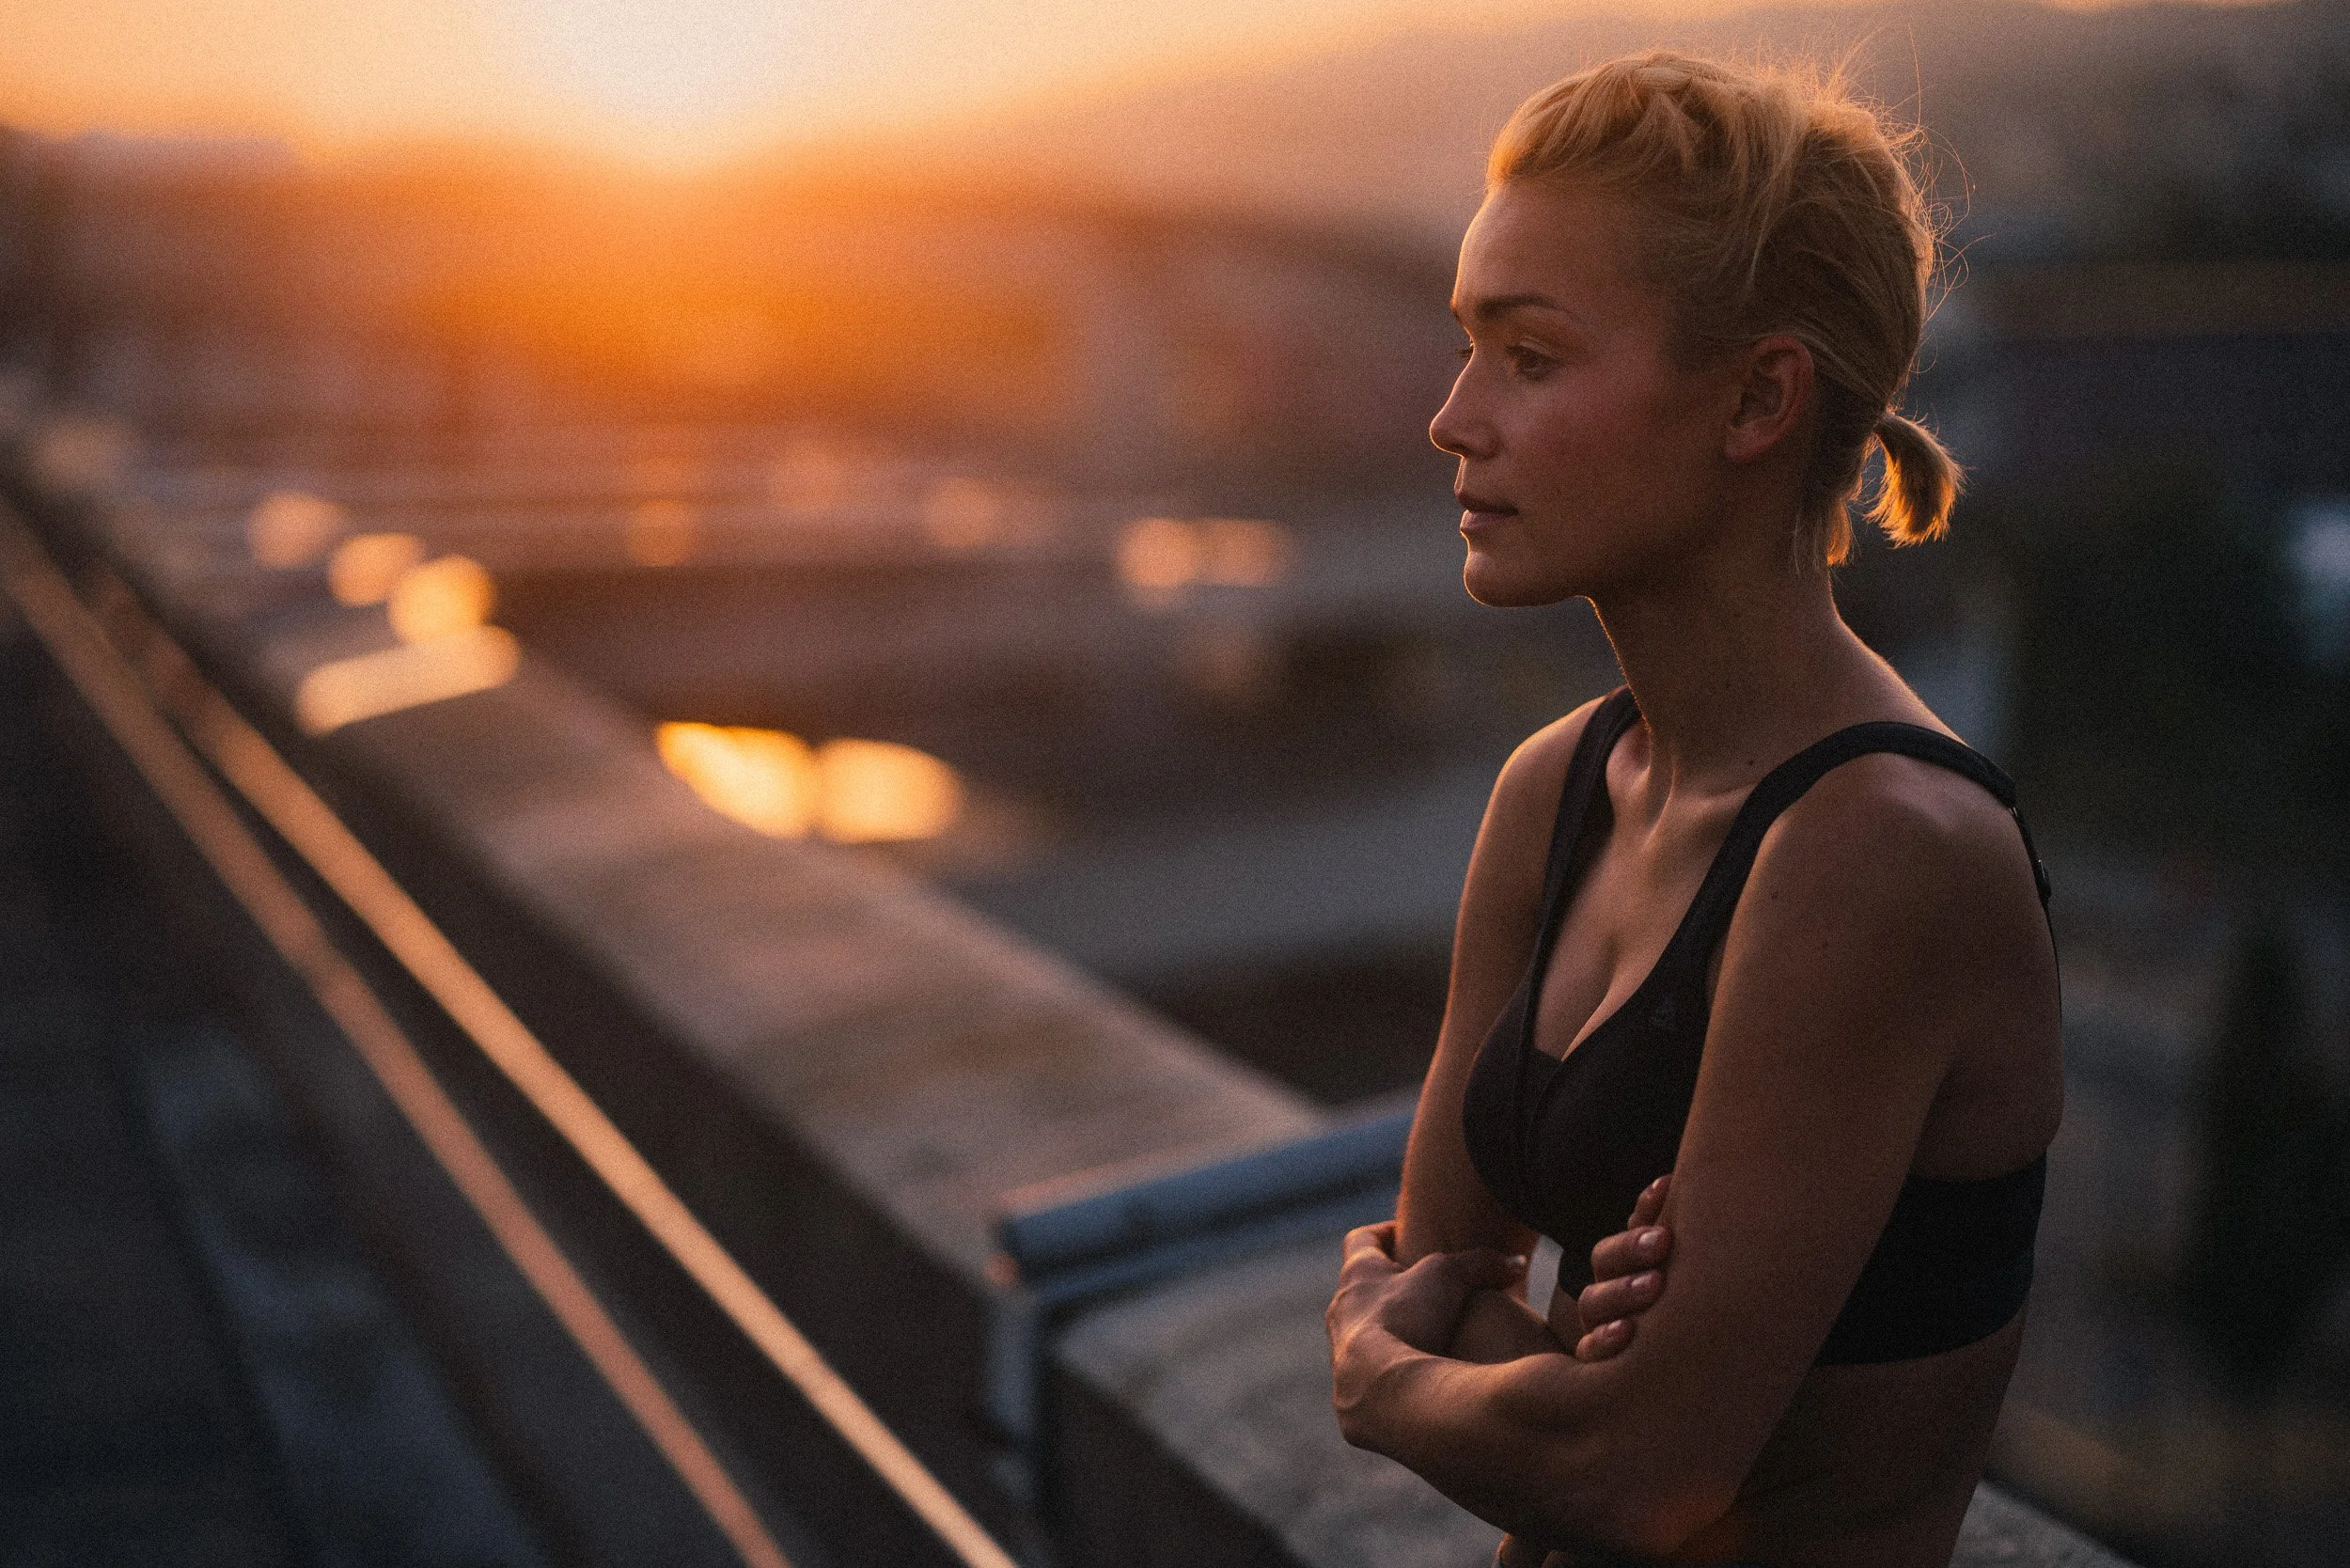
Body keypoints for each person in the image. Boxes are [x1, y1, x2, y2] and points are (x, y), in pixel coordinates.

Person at [1324, 50, 2063, 1567]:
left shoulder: (1883, 852)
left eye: (1531, 359)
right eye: (1469, 348)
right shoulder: (1556, 795)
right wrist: (1547, 1371)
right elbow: (1440, 1266)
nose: (1454, 419)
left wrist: (1383, 1378)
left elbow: (1629, 1477)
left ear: (1757, 400)